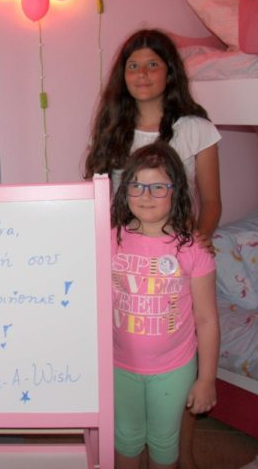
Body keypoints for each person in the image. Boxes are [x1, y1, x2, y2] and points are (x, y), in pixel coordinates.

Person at [83, 28, 221, 468]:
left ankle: (183, 458)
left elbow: (211, 202)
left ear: (169, 72)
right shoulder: (113, 130)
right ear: (122, 75)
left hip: (176, 264)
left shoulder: (195, 129)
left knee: (172, 403)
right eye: (133, 65)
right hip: (126, 262)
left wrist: (196, 242)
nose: (142, 74)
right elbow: (98, 202)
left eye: (152, 64)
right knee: (128, 421)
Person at [110, 141, 219, 469]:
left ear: (177, 192)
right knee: (126, 438)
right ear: (125, 190)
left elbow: (207, 319)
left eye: (158, 187)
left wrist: (207, 379)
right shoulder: (109, 239)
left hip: (174, 368)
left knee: (163, 442)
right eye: (137, 185)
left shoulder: (193, 249)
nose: (146, 195)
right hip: (119, 366)